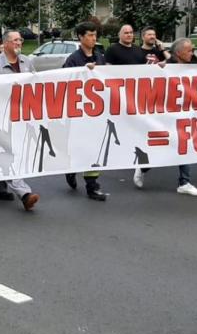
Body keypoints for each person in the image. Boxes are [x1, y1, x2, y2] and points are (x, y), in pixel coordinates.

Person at [0, 30, 40, 211]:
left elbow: (37, 83)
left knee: (14, 150)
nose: (19, 43)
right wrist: (7, 88)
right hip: (2, 116)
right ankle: (24, 193)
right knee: (9, 152)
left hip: (21, 115)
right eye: (15, 40)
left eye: (20, 40)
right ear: (5, 44)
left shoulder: (26, 62)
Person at [62, 22, 108, 201]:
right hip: (79, 112)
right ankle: (71, 169)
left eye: (95, 35)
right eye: (89, 35)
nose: (93, 39)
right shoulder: (73, 59)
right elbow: (64, 80)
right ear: (80, 37)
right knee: (79, 146)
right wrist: (82, 72)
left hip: (97, 112)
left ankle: (92, 186)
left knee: (94, 148)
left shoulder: (100, 57)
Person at [156, 38, 197, 196]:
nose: (192, 53)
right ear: (178, 53)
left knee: (185, 145)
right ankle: (144, 168)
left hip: (187, 114)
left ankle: (184, 182)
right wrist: (158, 70)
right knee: (165, 147)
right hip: (169, 114)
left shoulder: (194, 63)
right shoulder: (166, 67)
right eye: (189, 50)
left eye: (192, 50)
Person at [104, 25, 150, 187]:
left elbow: (145, 71)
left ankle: (138, 158)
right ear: (119, 35)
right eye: (126, 32)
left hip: (137, 95)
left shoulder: (138, 51)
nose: (129, 35)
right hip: (119, 95)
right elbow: (106, 71)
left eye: (131, 32)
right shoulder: (112, 50)